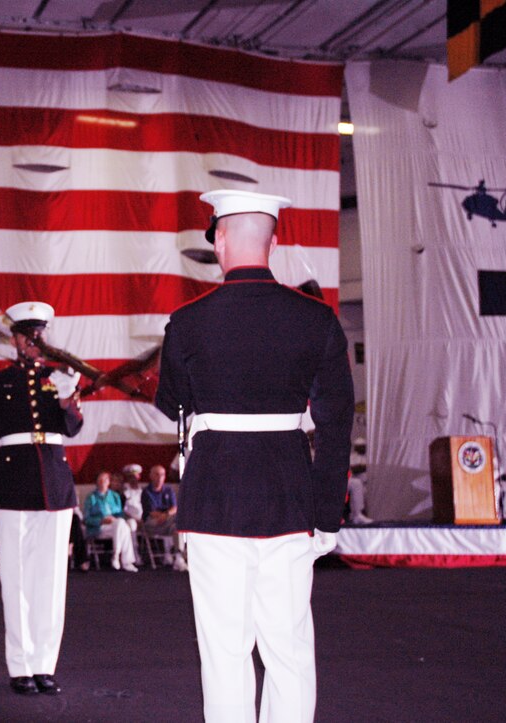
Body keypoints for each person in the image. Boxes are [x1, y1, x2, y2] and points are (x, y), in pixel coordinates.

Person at [155, 189, 353, 723]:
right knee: (288, 650)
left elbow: (171, 403)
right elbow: (337, 422)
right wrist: (326, 511)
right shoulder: (316, 318)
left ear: (220, 238)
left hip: (215, 495)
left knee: (224, 651)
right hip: (290, 498)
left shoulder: (187, 321)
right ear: (273, 239)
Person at [0, 300, 82, 696]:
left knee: (51, 581)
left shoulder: (59, 379)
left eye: (41, 335)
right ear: (17, 340)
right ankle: (20, 665)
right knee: (16, 580)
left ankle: (44, 664)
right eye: (29, 335)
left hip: (54, 485)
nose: (36, 342)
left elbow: (71, 428)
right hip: (12, 484)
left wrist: (69, 395)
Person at [83, 471, 139, 572]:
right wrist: (101, 520)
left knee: (122, 524)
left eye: (105, 479)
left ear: (109, 482)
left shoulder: (115, 496)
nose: (102, 482)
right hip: (99, 528)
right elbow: (86, 519)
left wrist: (121, 518)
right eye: (100, 479)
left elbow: (120, 514)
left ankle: (117, 556)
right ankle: (125, 560)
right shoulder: (91, 497)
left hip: (116, 526)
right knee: (122, 526)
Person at [141, 464, 187, 571]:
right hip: (152, 523)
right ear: (151, 476)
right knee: (179, 520)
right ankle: (183, 555)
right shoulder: (146, 492)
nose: (159, 477)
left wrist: (166, 516)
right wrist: (167, 515)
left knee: (178, 528)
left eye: (162, 475)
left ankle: (179, 557)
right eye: (157, 474)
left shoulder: (168, 490)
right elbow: (152, 512)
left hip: (167, 521)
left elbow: (174, 507)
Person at [346, 436, 373, 524]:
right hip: (357, 479)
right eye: (359, 446)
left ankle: (360, 515)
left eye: (362, 446)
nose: (361, 448)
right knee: (358, 487)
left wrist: (363, 467)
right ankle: (356, 515)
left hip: (368, 482)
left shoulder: (370, 456)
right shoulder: (352, 457)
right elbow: (354, 469)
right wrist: (366, 466)